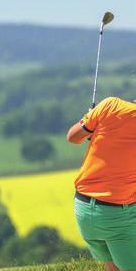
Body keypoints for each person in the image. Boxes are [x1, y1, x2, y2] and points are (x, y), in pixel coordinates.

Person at [67, 97, 136, 271]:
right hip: (117, 215)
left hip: (83, 209)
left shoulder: (109, 105)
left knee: (112, 267)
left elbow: (73, 137)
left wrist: (91, 119)